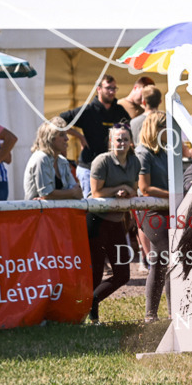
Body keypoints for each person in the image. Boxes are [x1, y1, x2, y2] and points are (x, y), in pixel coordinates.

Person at [87, 124, 140, 323]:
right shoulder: (102, 161)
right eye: (118, 139)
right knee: (96, 272)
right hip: (96, 221)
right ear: (111, 141)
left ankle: (90, 301)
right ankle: (92, 317)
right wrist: (119, 189)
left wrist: (127, 192)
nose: (122, 143)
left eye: (125, 139)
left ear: (131, 142)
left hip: (117, 220)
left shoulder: (134, 162)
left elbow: (134, 190)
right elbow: (96, 192)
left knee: (122, 274)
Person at [59, 75, 129, 197]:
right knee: (90, 207)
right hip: (89, 168)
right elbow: (58, 121)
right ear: (99, 89)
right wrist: (79, 136)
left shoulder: (119, 111)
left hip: (111, 170)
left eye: (114, 88)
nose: (112, 92)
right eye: (108, 88)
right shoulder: (88, 110)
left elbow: (130, 129)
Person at [135, 113, 171, 322]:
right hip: (150, 211)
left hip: (167, 209)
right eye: (166, 127)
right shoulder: (142, 153)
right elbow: (145, 188)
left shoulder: (166, 152)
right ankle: (151, 313)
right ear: (156, 129)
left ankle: (166, 312)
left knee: (165, 259)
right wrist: (175, 194)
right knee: (163, 256)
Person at [23, 117, 82, 200]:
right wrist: (71, 193)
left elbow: (78, 192)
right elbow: (46, 194)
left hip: (58, 211)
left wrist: (72, 192)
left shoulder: (62, 160)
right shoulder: (41, 158)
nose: (67, 139)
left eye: (66, 134)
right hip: (37, 212)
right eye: (61, 135)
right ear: (50, 139)